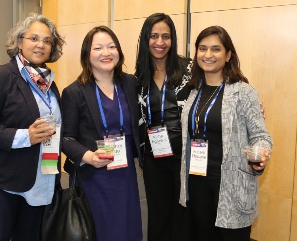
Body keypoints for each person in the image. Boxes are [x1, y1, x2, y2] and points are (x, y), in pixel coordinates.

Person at [0, 13, 65, 241]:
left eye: (47, 41)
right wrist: (25, 136)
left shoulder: (49, 84)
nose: (41, 45)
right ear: (20, 42)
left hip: (37, 184)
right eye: (34, 38)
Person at [180, 25, 273, 241]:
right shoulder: (193, 91)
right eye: (202, 49)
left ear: (228, 54)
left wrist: (262, 153)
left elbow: (261, 135)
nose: (208, 55)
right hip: (197, 181)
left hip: (232, 185)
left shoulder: (243, 92)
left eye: (216, 49)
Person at [61, 26, 143, 241]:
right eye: (98, 48)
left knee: (126, 228)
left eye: (111, 46)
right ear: (87, 54)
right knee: (98, 231)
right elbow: (65, 138)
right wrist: (88, 157)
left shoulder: (130, 83)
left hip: (126, 173)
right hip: (93, 175)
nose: (106, 53)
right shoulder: (75, 92)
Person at [135, 13, 194, 241]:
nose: (160, 42)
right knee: (158, 216)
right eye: (154, 36)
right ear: (145, 39)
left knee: (184, 214)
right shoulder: (139, 77)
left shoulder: (190, 69)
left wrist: (248, 103)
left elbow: (221, 85)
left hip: (185, 156)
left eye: (166, 36)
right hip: (154, 158)